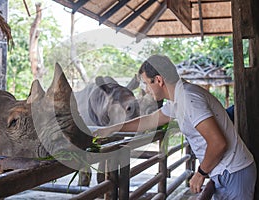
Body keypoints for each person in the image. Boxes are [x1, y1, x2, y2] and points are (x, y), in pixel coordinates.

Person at [93, 55, 256, 199]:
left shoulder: (188, 98)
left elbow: (218, 143)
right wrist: (113, 128)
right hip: (226, 171)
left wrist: (200, 173)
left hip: (234, 172)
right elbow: (149, 120)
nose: (146, 90)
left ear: (158, 80)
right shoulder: (177, 99)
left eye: (146, 84)